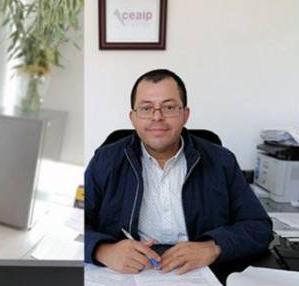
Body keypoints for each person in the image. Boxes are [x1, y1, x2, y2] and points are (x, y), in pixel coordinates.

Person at [85, 68, 271, 274]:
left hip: (203, 275)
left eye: (169, 107)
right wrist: (103, 250)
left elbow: (259, 227)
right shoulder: (105, 161)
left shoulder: (221, 161)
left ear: (185, 114)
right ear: (133, 117)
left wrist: (213, 247)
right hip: (128, 277)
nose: (157, 117)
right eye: (146, 109)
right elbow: (69, 226)